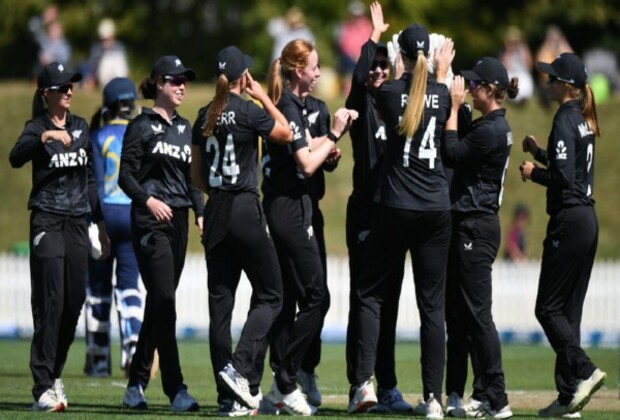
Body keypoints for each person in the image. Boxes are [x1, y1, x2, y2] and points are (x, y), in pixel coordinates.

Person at [350, 23, 454, 419]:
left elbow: (364, 83)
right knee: (432, 309)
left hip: (395, 206)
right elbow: (438, 103)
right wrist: (441, 76)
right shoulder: (443, 95)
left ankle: (364, 383)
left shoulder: (391, 92)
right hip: (435, 210)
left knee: (370, 295)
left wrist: (377, 43)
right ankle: (433, 399)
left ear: (402, 57)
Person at [190, 45, 291, 417]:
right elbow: (285, 132)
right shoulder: (248, 110)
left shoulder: (204, 115)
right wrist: (263, 95)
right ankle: (239, 368)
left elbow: (196, 177)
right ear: (241, 78)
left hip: (216, 208)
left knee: (221, 306)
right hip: (245, 208)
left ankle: (226, 397)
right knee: (272, 295)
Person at [258, 38, 355, 416]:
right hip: (288, 209)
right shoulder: (288, 105)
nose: (318, 73)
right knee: (318, 297)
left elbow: (306, 152)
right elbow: (305, 165)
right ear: (299, 71)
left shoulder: (294, 105)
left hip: (292, 207)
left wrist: (326, 144)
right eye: (314, 67)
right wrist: (335, 132)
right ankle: (285, 379)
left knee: (291, 299)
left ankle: (279, 383)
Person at [9, 61, 111, 412]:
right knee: (51, 300)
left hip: (76, 224)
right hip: (46, 221)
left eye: (72, 85)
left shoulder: (82, 127)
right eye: (63, 87)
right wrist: (44, 137)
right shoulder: (35, 127)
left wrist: (99, 224)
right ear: (46, 93)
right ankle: (41, 387)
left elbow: (91, 181)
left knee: (73, 303)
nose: (70, 90)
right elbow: (14, 158)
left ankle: (53, 374)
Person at [520, 52, 607, 418]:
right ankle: (568, 395)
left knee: (547, 307)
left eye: (553, 79)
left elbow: (561, 178)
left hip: (569, 220)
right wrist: (539, 151)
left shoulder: (564, 119)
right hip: (587, 219)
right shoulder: (583, 120)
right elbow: (566, 164)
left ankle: (584, 371)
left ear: (567, 87)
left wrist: (530, 170)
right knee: (568, 311)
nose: (548, 83)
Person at [118, 55, 204, 412]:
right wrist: (148, 200)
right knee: (166, 302)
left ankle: (135, 384)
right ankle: (176, 390)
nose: (181, 85)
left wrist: (201, 213)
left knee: (158, 302)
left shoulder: (186, 128)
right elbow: (125, 176)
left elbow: (192, 179)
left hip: (179, 221)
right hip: (150, 222)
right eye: (174, 80)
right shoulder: (140, 126)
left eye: (184, 79)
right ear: (157, 83)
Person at [442, 57, 518, 419]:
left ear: (490, 91)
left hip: (476, 224)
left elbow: (454, 152)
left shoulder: (490, 130)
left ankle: (497, 398)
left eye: (475, 86)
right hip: (478, 223)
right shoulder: (494, 125)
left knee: (479, 316)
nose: (471, 89)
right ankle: (483, 394)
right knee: (471, 316)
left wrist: (455, 108)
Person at [344, 2, 411, 414]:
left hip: (396, 213)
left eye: (385, 66)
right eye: (375, 66)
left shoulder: (401, 107)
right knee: (364, 301)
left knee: (388, 303)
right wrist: (374, 37)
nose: (379, 71)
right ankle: (361, 384)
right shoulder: (361, 101)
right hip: (366, 211)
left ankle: (386, 385)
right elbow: (356, 76)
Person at [83, 77, 143, 378]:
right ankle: (133, 344)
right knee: (129, 284)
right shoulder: (139, 131)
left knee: (98, 288)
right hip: (132, 214)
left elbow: (91, 181)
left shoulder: (98, 134)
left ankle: (98, 358)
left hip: (103, 213)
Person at [335, 0, 373, 96]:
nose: (356, 18)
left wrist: (360, 54)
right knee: (350, 66)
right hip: (348, 56)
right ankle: (349, 90)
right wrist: (353, 54)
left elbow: (370, 42)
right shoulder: (345, 26)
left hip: (363, 54)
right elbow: (343, 44)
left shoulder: (367, 26)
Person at [85, 18, 130, 89]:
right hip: (102, 81)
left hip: (119, 80)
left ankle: (120, 84)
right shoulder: (97, 50)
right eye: (104, 40)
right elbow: (91, 69)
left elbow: (124, 70)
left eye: (108, 39)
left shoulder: (120, 49)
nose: (105, 43)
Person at [535, 25, 573, 108]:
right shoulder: (544, 51)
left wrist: (562, 47)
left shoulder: (563, 49)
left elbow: (573, 63)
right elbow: (542, 70)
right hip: (548, 84)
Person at [500, 26, 534, 104]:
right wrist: (509, 50)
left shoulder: (523, 50)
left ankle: (519, 99)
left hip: (522, 74)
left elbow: (529, 65)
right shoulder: (506, 51)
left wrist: (524, 51)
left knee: (524, 82)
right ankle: (513, 98)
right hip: (511, 73)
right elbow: (505, 67)